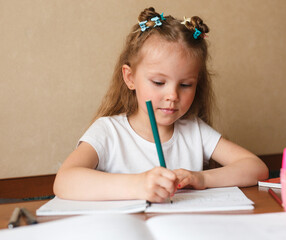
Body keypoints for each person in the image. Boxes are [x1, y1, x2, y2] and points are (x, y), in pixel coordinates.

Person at [53, 7, 268, 203]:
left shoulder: (194, 131)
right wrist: (139, 185)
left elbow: (256, 168)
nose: (172, 95)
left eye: (185, 84)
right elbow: (64, 181)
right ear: (130, 78)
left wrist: (201, 178)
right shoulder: (108, 131)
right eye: (158, 82)